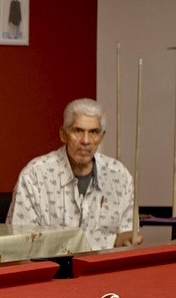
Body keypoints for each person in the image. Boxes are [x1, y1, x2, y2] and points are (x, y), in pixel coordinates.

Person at [8, 99, 141, 250]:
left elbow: (124, 235)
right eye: (78, 131)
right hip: (52, 270)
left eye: (93, 132)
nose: (85, 140)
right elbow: (19, 243)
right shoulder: (34, 176)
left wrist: (126, 239)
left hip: (104, 269)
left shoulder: (120, 177)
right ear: (63, 135)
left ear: (102, 137)